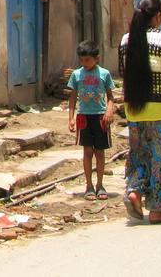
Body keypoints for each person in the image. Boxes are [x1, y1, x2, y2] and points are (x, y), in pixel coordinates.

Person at [119, 0, 161, 223]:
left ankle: (134, 191)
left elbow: (122, 71)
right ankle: (157, 209)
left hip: (133, 107)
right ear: (157, 17)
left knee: (139, 153)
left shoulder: (126, 40)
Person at [67, 39, 116, 200]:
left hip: (101, 116)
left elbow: (110, 97)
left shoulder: (104, 74)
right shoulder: (76, 75)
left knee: (100, 152)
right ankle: (89, 186)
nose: (84, 63)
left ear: (97, 58)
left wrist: (109, 110)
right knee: (87, 151)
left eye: (87, 59)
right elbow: (72, 98)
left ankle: (100, 185)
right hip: (84, 117)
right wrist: (71, 118)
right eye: (81, 60)